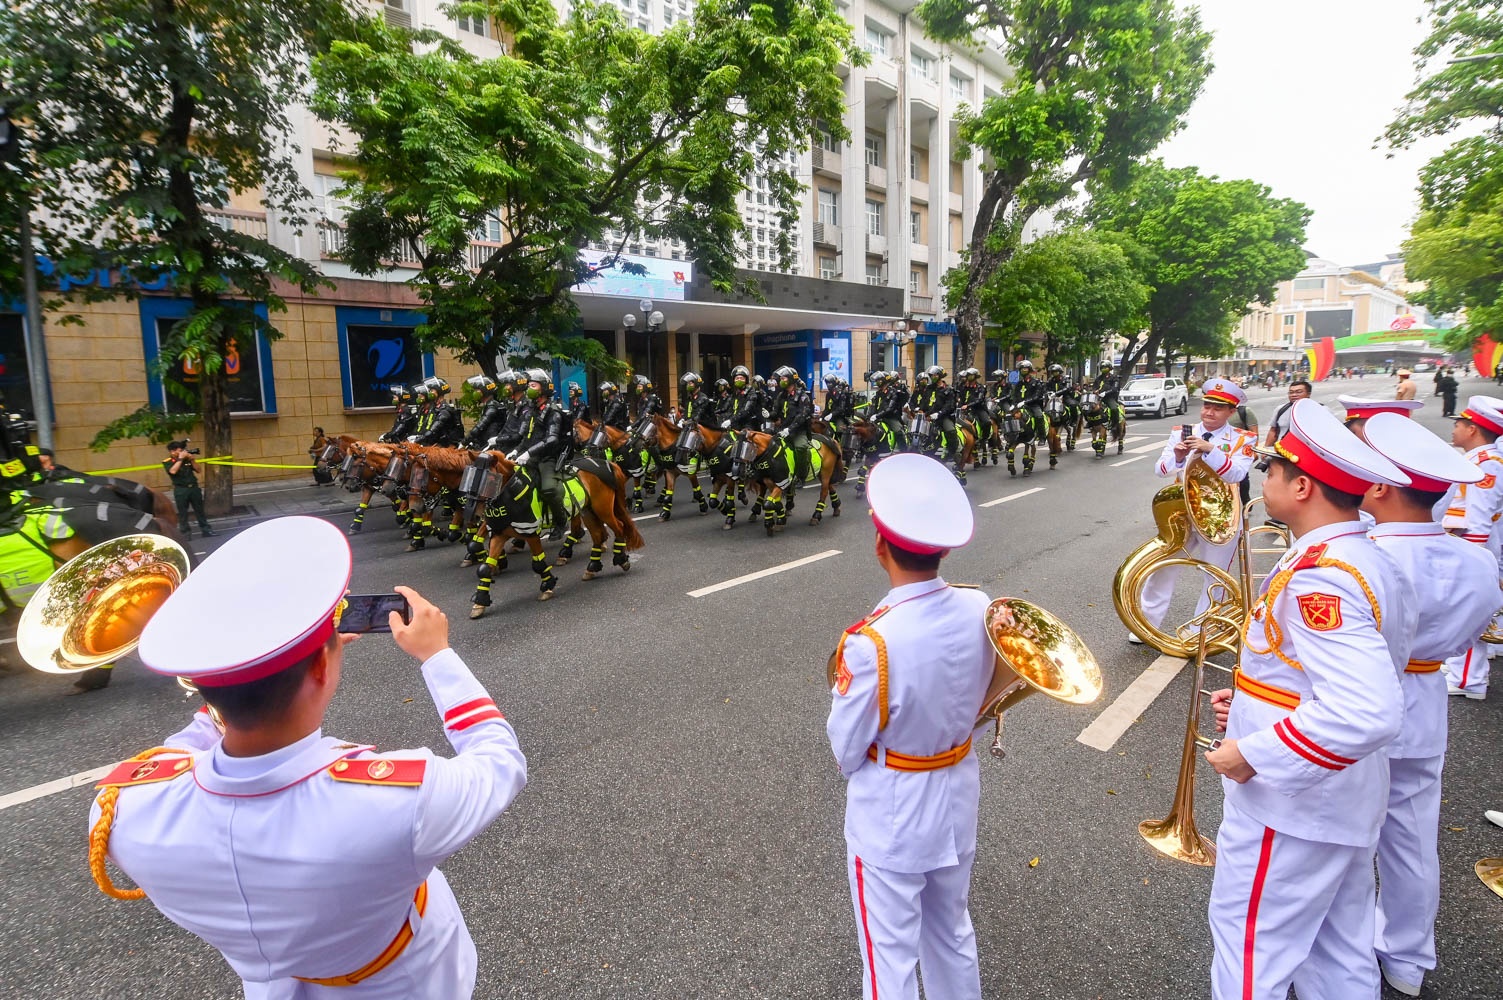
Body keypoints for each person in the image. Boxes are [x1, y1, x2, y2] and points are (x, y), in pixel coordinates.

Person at [86, 516, 527, 998]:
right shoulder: (400, 801)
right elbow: (499, 757)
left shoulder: (122, 808)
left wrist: (258, 657)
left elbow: (190, 741)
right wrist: (436, 654)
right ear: (321, 666)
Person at [1204, 398, 1415, 1000]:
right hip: (1344, 793)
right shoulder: (1364, 555)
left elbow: (1365, 709)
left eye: (1272, 470)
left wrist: (1256, 752)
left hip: (1295, 805)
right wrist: (1253, 704)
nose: (1264, 479)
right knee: (1338, 953)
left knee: (1251, 948)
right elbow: (1326, 676)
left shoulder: (1323, 575)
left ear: (1301, 486)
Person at [826, 453, 991, 1000]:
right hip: (958, 790)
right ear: (945, 549)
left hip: (894, 808)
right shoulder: (979, 605)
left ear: (880, 546)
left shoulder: (870, 641)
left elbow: (845, 749)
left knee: (888, 957)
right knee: (952, 931)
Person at [1358, 413, 1499, 997]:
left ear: (1382, 486)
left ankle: (1340, 957)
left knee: (1341, 839)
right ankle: (1408, 959)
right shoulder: (1477, 561)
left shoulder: (1362, 555)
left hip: (1359, 704)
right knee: (1413, 839)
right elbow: (1472, 634)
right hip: (1425, 700)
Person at [1132, 378, 1256, 644]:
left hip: (1221, 516)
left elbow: (1237, 474)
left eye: (1218, 408)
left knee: (1216, 576)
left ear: (1231, 411)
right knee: (1162, 568)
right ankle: (1146, 624)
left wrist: (1210, 450)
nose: (1209, 412)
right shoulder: (1182, 431)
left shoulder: (1243, 439)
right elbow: (1161, 470)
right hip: (1183, 512)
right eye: (1207, 405)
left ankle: (1202, 629)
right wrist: (1178, 456)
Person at [1440, 396, 1503, 699]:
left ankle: (1468, 679)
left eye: (1459, 424)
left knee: (1467, 609)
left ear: (1473, 429)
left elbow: (1479, 520)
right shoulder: (1481, 460)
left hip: (1475, 547)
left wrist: (1470, 561)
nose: (1454, 429)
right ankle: (1464, 667)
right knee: (1472, 610)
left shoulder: (1485, 464)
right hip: (1476, 547)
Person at [163, 440, 215, 540]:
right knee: (183, 513)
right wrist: (180, 459)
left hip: (194, 488)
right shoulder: (168, 462)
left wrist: (192, 460)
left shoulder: (187, 460)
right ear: (172, 452)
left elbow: (199, 470)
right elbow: (173, 471)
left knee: (200, 510)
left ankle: (206, 530)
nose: (182, 452)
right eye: (179, 451)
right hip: (181, 490)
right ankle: (185, 534)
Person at [461, 374, 507, 450]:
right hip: (485, 445)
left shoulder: (492, 407)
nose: (474, 392)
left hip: (492, 447)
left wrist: (464, 442)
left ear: (484, 391)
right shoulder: (488, 405)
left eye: (477, 390)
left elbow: (480, 426)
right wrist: (473, 441)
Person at [414, 377, 464, 447]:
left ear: (439, 392)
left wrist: (418, 440)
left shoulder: (445, 410)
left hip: (447, 446)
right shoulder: (434, 408)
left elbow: (434, 429)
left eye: (432, 390)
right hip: (437, 444)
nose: (429, 393)